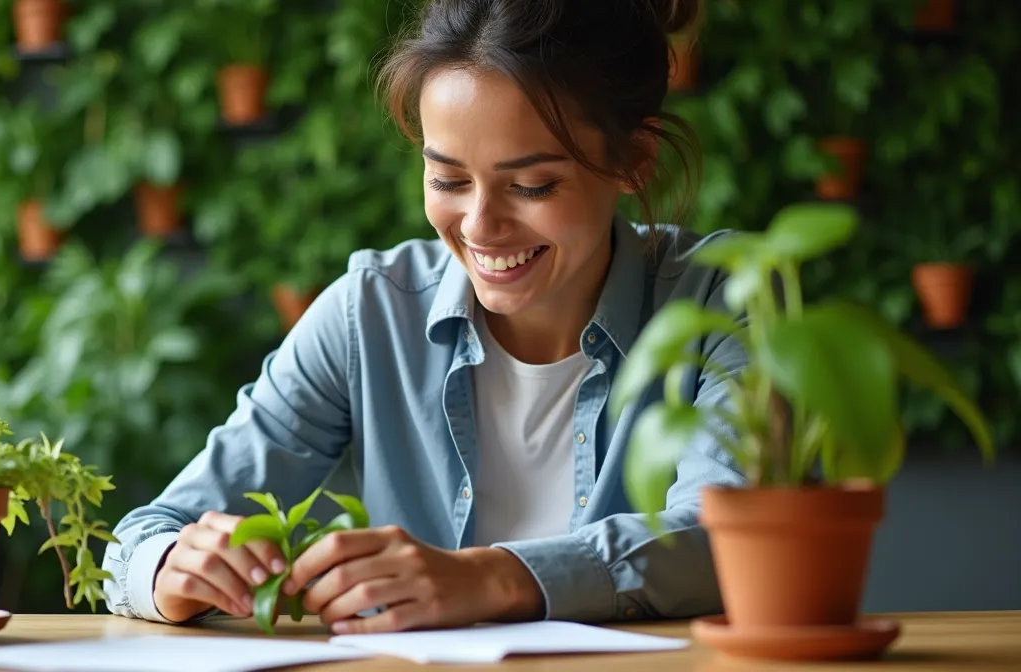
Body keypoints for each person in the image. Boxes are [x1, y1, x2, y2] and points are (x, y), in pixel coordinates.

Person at [102, 0, 747, 634]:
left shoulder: (720, 303)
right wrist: (170, 567)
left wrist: (491, 578)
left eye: (532, 186)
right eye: (447, 180)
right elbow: (141, 539)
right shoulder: (369, 316)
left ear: (634, 161)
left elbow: (734, 537)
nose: (480, 227)